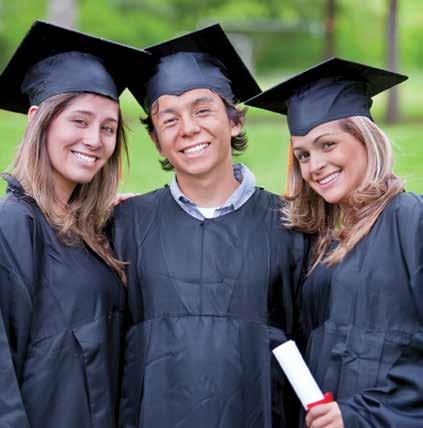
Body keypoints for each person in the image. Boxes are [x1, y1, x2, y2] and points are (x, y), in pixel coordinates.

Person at [113, 24, 309, 428]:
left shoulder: (292, 225)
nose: (188, 129)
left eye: (203, 110)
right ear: (156, 141)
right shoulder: (124, 226)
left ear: (235, 122)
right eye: (169, 120)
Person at [245, 57, 423, 427]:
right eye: (303, 155)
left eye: (328, 145)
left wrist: (361, 416)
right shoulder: (319, 243)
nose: (314, 165)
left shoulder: (411, 219)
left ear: (366, 138)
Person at [0, 21, 150, 427]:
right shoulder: (13, 225)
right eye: (79, 121)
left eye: (108, 128)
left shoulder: (92, 231)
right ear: (38, 120)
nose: (95, 140)